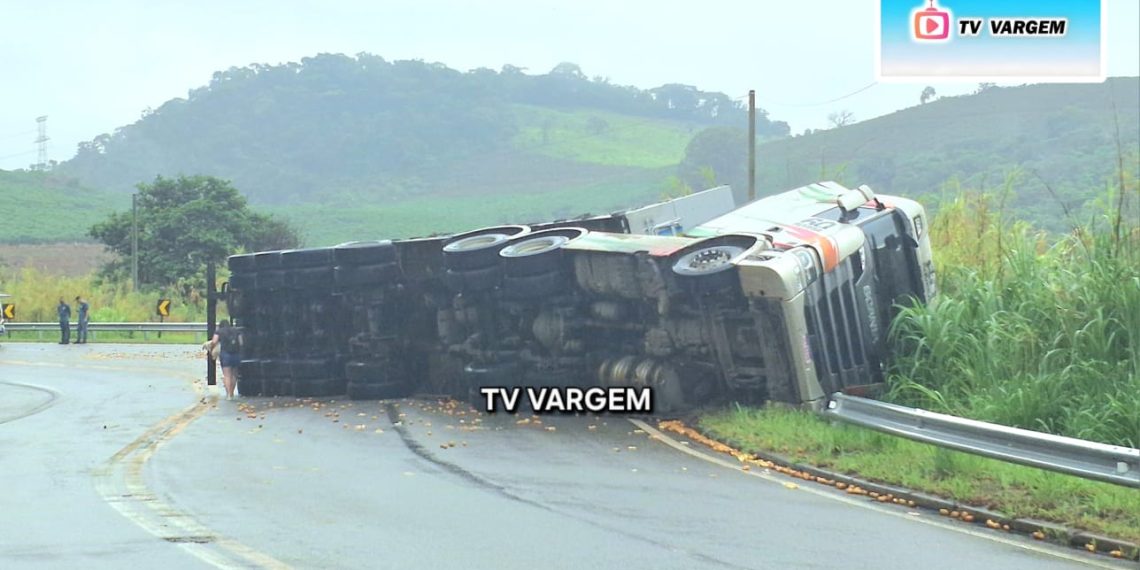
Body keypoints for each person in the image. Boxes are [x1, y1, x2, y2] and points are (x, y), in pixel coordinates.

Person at [206, 319, 241, 400]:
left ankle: (229, 395)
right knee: (234, 375)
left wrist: (210, 347)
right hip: (236, 354)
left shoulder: (219, 331)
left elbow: (214, 341)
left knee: (227, 375)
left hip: (226, 355)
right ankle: (232, 392)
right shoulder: (236, 331)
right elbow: (241, 342)